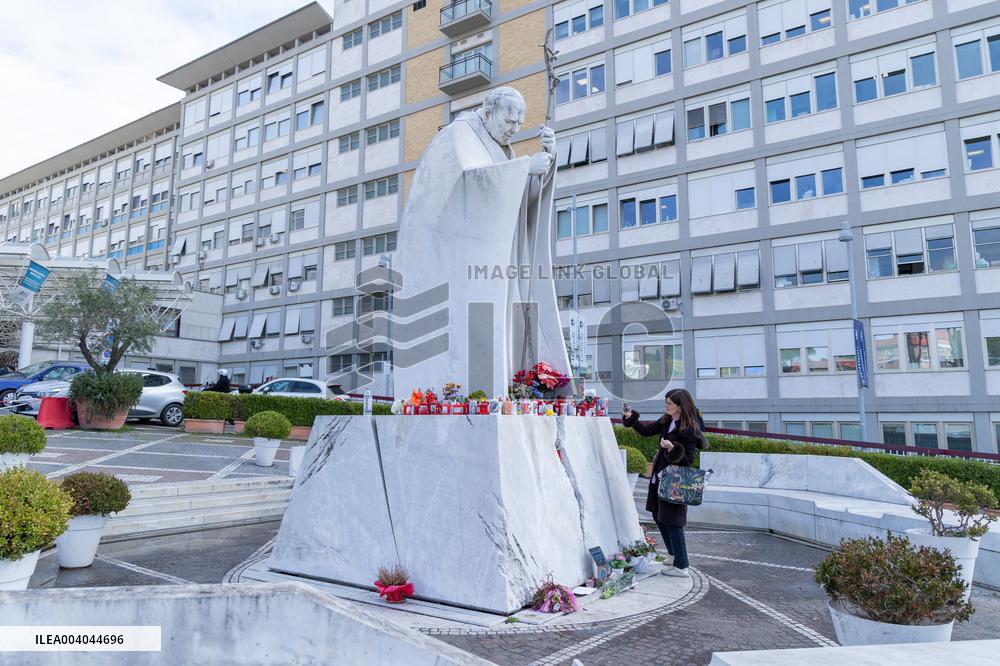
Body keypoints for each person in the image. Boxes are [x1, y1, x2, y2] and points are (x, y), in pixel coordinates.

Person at [622, 389, 705, 578]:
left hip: (674, 481)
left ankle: (681, 565)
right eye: (666, 402)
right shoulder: (667, 420)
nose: (666, 406)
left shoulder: (688, 428)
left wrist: (673, 447)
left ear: (680, 406)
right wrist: (631, 418)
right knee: (659, 515)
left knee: (673, 521)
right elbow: (647, 430)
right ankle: (674, 555)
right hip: (660, 476)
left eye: (670, 403)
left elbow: (689, 459)